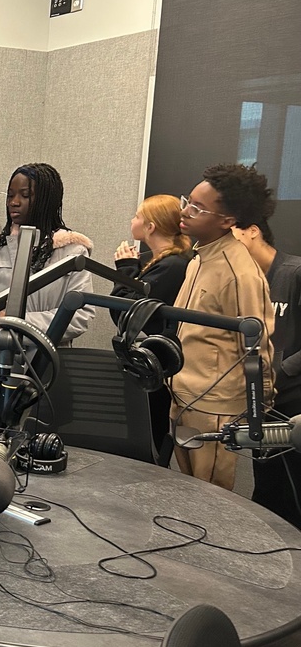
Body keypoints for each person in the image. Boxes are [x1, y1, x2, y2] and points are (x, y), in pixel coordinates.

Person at [0, 163, 94, 424]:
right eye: (10, 195)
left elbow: (80, 316)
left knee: (33, 451)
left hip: (43, 370)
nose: (15, 202)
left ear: (47, 199)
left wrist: (13, 321)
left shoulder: (72, 253)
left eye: (25, 195)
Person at [171, 163, 276, 491]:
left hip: (215, 409)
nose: (185, 211)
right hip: (183, 395)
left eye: (197, 208)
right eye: (187, 200)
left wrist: (260, 404)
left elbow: (259, 344)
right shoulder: (199, 258)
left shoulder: (240, 271)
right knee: (188, 491)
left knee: (210, 499)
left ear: (228, 221)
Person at [110, 194, 193, 458]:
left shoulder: (171, 266)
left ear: (150, 227)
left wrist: (125, 270)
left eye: (137, 216)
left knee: (151, 444)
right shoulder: (166, 263)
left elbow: (127, 315)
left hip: (161, 373)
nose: (132, 220)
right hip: (156, 367)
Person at [232, 212, 301, 526]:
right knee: (268, 488)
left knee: (292, 492)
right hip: (261, 401)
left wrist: (281, 373)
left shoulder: (294, 272)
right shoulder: (246, 280)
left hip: (293, 403)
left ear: (252, 232)